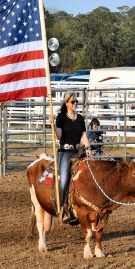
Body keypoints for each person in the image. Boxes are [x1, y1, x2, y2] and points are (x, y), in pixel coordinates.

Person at [49, 92, 92, 223]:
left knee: (90, 174)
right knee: (64, 179)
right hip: (65, 152)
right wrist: (53, 126)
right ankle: (62, 208)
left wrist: (88, 147)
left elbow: (84, 135)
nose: (75, 104)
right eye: (73, 102)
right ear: (66, 103)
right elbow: (59, 136)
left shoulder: (80, 118)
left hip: (78, 151)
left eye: (76, 101)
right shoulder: (61, 117)